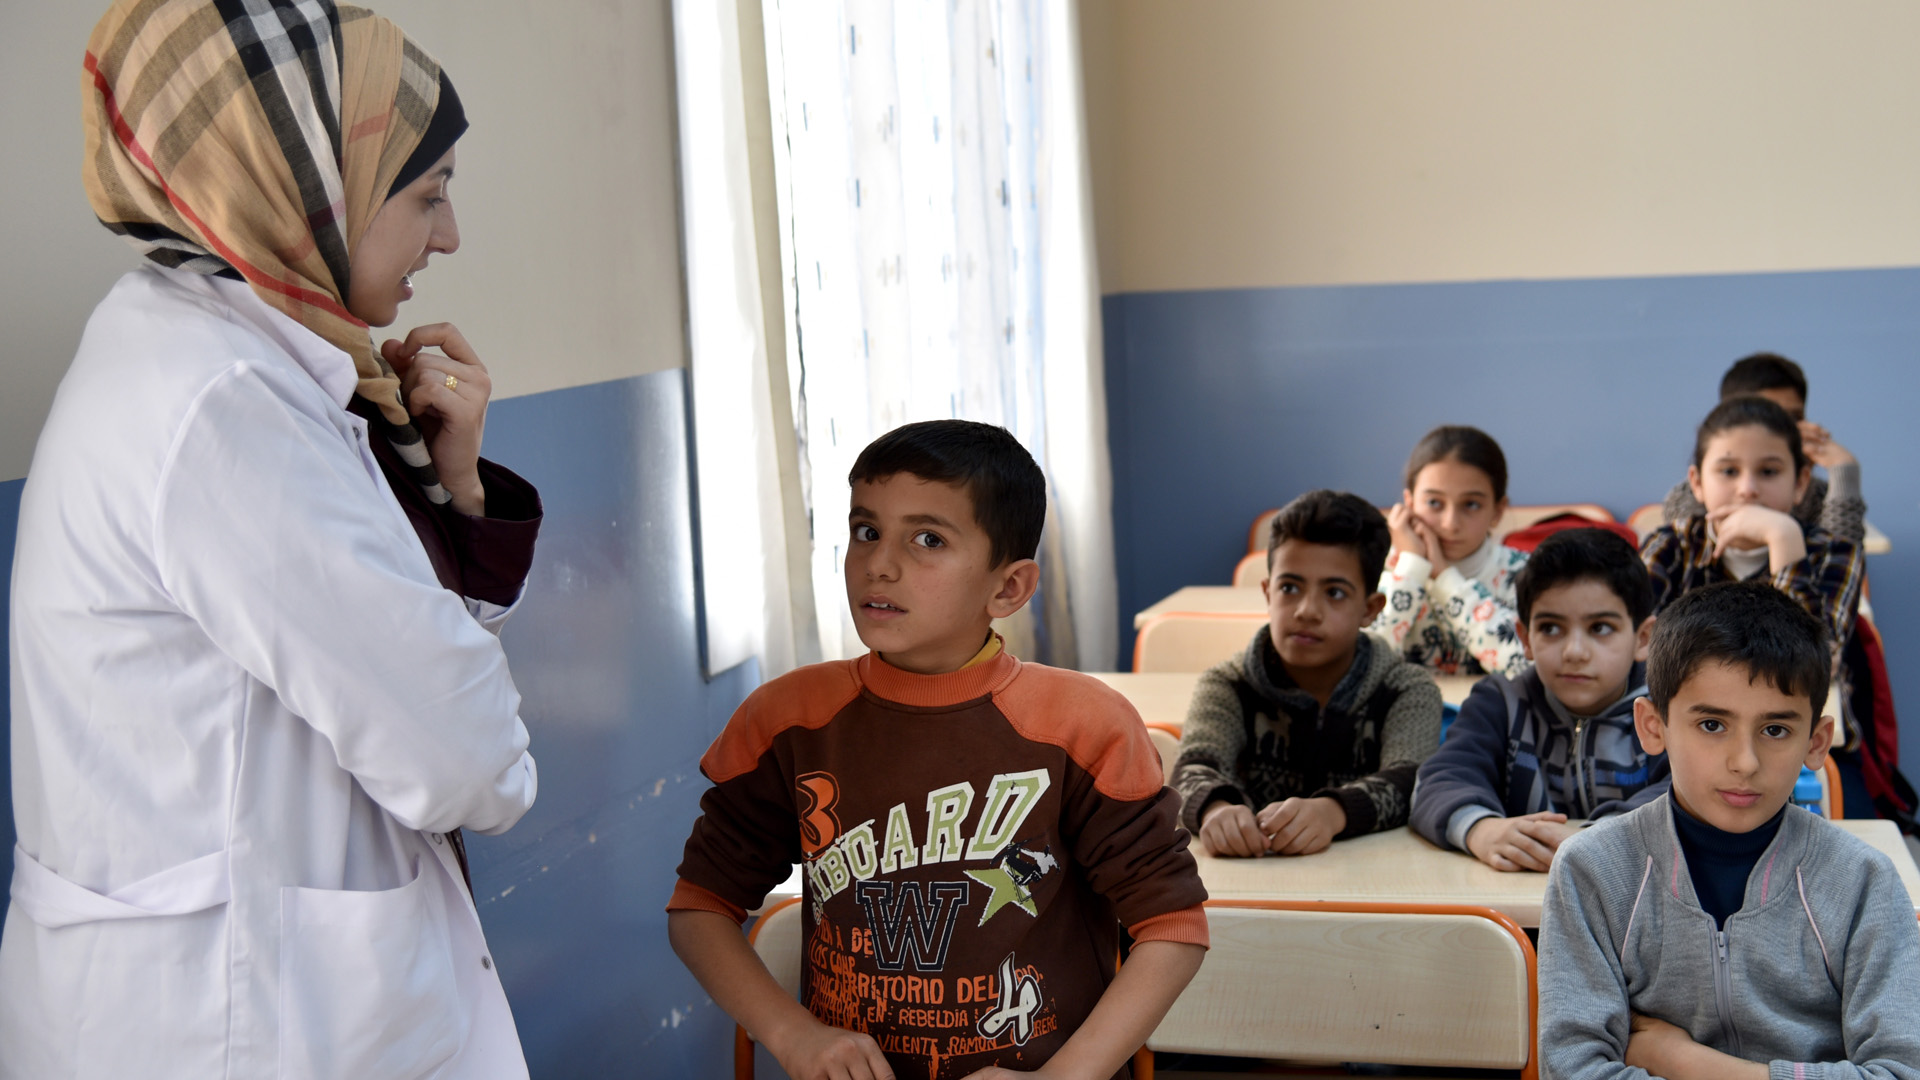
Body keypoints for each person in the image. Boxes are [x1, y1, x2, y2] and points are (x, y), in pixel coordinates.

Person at [1, 4, 541, 1077]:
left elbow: (407, 664)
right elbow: (472, 762)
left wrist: (454, 484)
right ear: (306, 188)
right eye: (426, 195)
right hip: (229, 1023)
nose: (449, 236)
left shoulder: (228, 361)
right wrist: (477, 723)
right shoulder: (217, 403)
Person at [668, 420, 1206, 1080]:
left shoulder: (1082, 726)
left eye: (927, 539)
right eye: (866, 530)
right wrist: (794, 1034)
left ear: (1008, 588)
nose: (880, 563)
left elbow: (1174, 927)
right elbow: (700, 907)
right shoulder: (790, 719)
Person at [1538, 582, 1920, 1080]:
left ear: (1817, 740)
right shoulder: (1592, 870)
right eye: (1713, 725)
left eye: (1776, 730)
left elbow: (1900, 1071)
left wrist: (1687, 1063)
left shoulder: (1862, 881)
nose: (1745, 762)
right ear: (1653, 726)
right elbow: (1572, 1070)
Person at [1175, 491, 1443, 859]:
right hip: (1252, 888)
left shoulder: (1406, 689)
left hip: (1367, 891)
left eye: (1334, 592)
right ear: (1268, 593)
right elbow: (1193, 768)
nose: (1306, 610)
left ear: (1370, 609)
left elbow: (1409, 781)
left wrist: (1333, 813)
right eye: (1289, 588)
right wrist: (1216, 808)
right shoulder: (1226, 684)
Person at [1410, 528, 1666, 872]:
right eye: (1550, 628)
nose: (1574, 652)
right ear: (1525, 638)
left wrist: (1598, 840)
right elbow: (1437, 781)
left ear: (1642, 638)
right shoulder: (1499, 703)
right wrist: (1481, 830)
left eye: (1600, 628)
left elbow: (1686, 794)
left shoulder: (1667, 710)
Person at [1641, 397, 1863, 682]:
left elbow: (1810, 670)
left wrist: (1783, 538)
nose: (1747, 489)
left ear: (1800, 483)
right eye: (1729, 471)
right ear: (1696, 483)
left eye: (1769, 472)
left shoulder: (1834, 551)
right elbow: (1634, 652)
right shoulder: (1668, 546)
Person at [1662, 353, 1865, 544]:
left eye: (1793, 418)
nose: (1781, 429)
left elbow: (1843, 561)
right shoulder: (1690, 495)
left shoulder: (1821, 495)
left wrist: (1844, 472)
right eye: (1764, 416)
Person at [1376, 425, 1529, 678]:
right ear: (1410, 503)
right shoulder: (1381, 568)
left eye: (1471, 504)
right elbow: (1357, 665)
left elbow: (1528, 667)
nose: (1450, 523)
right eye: (1434, 503)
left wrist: (1445, 579)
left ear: (1498, 511)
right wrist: (1412, 567)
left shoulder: (1525, 575)